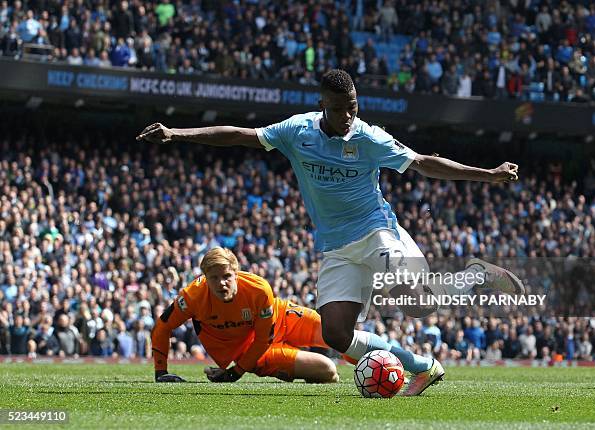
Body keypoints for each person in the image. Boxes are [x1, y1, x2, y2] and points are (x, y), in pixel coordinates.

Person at [138, 69, 523, 395]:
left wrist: (487, 175)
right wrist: (175, 133)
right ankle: (421, 367)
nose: (347, 116)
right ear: (323, 104)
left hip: (377, 233)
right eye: (339, 109)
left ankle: (477, 274)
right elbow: (240, 134)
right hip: (337, 249)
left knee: (418, 304)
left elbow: (423, 162)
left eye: (352, 106)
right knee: (337, 335)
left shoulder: (369, 138)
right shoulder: (297, 131)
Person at [151, 248, 338, 384]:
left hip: (282, 318)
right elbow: (162, 326)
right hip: (255, 351)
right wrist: (161, 372)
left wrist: (236, 372)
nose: (221, 283)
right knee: (328, 370)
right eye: (213, 278)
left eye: (226, 276)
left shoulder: (258, 289)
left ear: (236, 274)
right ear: (205, 278)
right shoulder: (193, 296)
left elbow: (265, 335)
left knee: (339, 334)